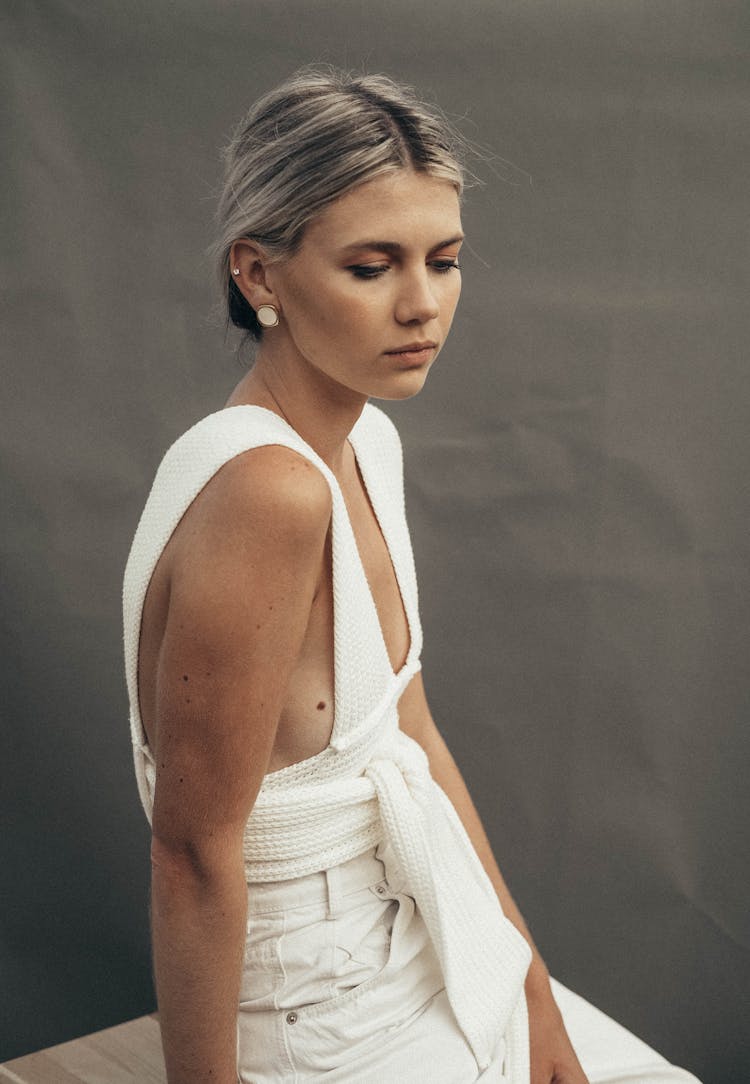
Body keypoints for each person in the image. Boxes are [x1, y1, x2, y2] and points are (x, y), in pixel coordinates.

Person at [123, 67, 702, 1084]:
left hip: (415, 944)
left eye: (446, 260)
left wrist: (526, 983)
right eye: (372, 265)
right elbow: (192, 852)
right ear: (258, 275)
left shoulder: (367, 444)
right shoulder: (268, 493)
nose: (423, 303)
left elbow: (414, 736)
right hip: (314, 1014)